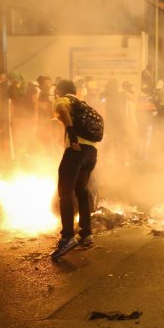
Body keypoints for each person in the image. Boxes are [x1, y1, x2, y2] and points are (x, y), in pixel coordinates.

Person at [50, 79, 98, 261]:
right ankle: (86, 233)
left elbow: (61, 111)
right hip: (91, 152)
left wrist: (72, 136)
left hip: (76, 151)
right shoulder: (83, 105)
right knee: (81, 189)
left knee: (65, 190)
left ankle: (67, 236)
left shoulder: (64, 100)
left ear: (61, 90)